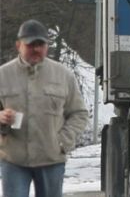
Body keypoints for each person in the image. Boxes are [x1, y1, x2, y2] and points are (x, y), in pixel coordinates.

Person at [0, 20, 89, 197]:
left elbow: (79, 114)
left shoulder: (63, 75)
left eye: (40, 44)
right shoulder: (3, 75)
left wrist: (63, 141)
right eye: (30, 44)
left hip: (51, 159)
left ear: (47, 46)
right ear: (19, 45)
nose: (36, 49)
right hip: (13, 159)